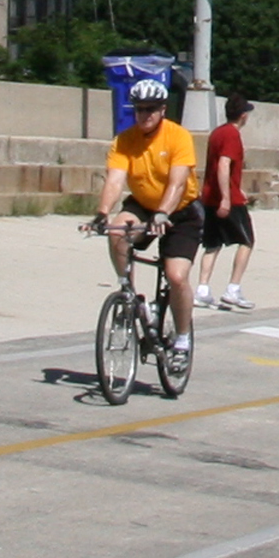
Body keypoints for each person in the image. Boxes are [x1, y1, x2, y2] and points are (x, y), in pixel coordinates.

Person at [95, 79, 202, 356]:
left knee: (176, 276)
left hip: (180, 211)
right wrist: (102, 212)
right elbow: (115, 181)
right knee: (117, 230)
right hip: (143, 204)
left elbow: (178, 183)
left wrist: (163, 212)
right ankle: (127, 291)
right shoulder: (124, 141)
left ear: (163, 110)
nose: (146, 115)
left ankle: (181, 339)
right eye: (140, 109)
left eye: (152, 109)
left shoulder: (178, 136)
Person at [194, 94, 257, 311]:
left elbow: (220, 168)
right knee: (247, 241)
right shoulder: (232, 134)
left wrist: (236, 188)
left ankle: (202, 289)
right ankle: (233, 288)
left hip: (210, 196)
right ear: (243, 115)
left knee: (213, 244)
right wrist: (227, 198)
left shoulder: (217, 132)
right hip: (225, 198)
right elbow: (223, 165)